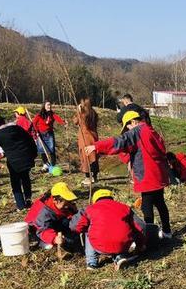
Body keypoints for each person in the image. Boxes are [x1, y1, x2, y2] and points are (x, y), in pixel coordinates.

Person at [86, 109, 171, 238]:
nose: (127, 130)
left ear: (133, 122)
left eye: (128, 127)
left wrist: (97, 146)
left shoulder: (137, 132)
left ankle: (150, 235)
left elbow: (119, 141)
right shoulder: (150, 130)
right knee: (160, 203)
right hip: (157, 174)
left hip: (146, 176)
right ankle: (167, 231)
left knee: (146, 207)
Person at [70, 189, 156, 271]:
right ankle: (120, 257)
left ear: (95, 200)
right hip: (123, 245)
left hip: (99, 246)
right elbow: (141, 226)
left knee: (88, 229)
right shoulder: (125, 207)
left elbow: (75, 227)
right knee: (124, 228)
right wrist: (140, 244)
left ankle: (92, 263)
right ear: (111, 198)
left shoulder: (90, 209)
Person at [0, 115, 37, 211]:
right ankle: (28, 199)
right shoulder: (16, 128)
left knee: (15, 183)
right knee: (25, 178)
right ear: (5, 121)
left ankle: (20, 205)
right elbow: (29, 138)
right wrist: (33, 153)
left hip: (14, 161)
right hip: (25, 156)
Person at [25, 182, 78, 250]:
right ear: (55, 200)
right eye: (66, 203)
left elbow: (70, 214)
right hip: (36, 229)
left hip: (53, 223)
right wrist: (54, 238)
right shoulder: (44, 211)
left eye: (69, 202)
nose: (68, 205)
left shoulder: (60, 204)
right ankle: (42, 242)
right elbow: (42, 229)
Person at [32, 101, 65, 170]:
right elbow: (34, 123)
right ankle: (45, 164)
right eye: (48, 105)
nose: (49, 106)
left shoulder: (52, 114)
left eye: (50, 105)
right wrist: (36, 131)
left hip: (49, 133)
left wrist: (63, 122)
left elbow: (58, 118)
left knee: (51, 149)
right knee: (42, 150)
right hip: (41, 134)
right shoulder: (39, 115)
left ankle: (53, 165)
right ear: (44, 106)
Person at [73, 98, 99, 185]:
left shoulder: (83, 115)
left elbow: (76, 121)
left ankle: (88, 178)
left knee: (85, 157)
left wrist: (78, 111)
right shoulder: (94, 113)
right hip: (93, 137)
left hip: (85, 138)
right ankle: (94, 177)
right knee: (94, 157)